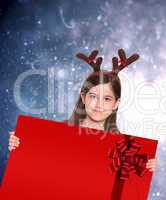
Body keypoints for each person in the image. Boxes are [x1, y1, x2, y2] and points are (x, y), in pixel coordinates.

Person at [8, 49, 158, 172]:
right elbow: (38, 167)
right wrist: (20, 145)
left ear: (116, 104)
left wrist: (147, 166)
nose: (99, 104)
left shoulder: (125, 149)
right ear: (84, 97)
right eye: (93, 96)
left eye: (107, 99)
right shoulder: (57, 133)